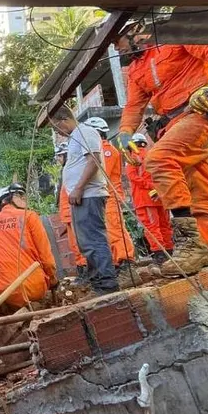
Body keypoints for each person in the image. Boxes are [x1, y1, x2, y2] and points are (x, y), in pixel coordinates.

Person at [112, 23, 208, 275]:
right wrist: (125, 132)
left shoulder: (173, 37)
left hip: (201, 111)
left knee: (159, 159)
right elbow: (133, 106)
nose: (117, 47)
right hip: (174, 123)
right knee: (198, 186)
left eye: (118, 40)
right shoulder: (136, 69)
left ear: (137, 29)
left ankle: (190, 244)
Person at [49, 106, 119, 294]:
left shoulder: (85, 132)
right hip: (83, 196)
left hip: (89, 194)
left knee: (94, 239)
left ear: (63, 119)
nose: (58, 132)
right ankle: (97, 279)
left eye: (56, 127)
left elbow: (93, 161)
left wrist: (78, 188)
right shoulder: (76, 137)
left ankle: (106, 283)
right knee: (86, 242)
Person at [0, 184, 57, 309]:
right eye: (20, 195)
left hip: (6, 291)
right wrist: (52, 279)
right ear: (5, 200)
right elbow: (46, 258)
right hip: (37, 288)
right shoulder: (30, 216)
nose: (24, 199)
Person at [84, 117, 136, 273]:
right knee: (108, 231)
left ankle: (126, 261)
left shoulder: (107, 150)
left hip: (110, 197)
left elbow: (100, 173)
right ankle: (118, 262)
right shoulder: (102, 150)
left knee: (115, 230)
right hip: (104, 197)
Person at [124, 133, 174, 264]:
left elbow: (133, 177)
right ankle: (169, 251)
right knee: (165, 225)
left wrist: (149, 185)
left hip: (144, 200)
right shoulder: (154, 155)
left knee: (152, 227)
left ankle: (160, 255)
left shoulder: (133, 158)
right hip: (161, 197)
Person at [54, 142, 87, 279]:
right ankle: (82, 269)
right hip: (68, 215)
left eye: (60, 156)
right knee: (74, 245)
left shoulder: (72, 170)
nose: (58, 159)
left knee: (80, 244)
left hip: (73, 213)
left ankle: (85, 269)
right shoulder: (66, 170)